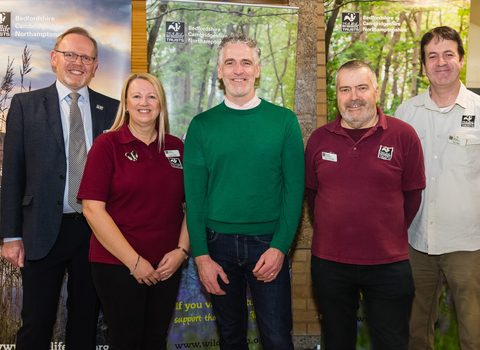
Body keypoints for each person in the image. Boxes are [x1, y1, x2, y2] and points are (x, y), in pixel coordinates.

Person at [183, 33, 304, 350]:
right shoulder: (201, 126)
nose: (239, 70)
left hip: (268, 245)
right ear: (220, 71)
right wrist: (202, 258)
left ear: (258, 69)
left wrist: (280, 247)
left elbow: (294, 193)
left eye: (246, 62)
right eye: (230, 63)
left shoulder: (284, 121)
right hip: (216, 246)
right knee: (230, 337)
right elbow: (194, 201)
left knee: (277, 337)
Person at [0, 27, 118, 350]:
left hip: (97, 234)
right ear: (55, 59)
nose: (78, 62)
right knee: (36, 323)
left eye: (86, 57)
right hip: (41, 231)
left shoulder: (114, 109)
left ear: (95, 66)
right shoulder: (24, 106)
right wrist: (10, 236)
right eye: (70, 54)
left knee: (85, 324)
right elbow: (12, 174)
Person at [305, 60, 426, 350]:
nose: (353, 96)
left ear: (376, 91)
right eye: (345, 89)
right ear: (336, 95)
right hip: (330, 264)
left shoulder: (403, 135)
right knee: (336, 341)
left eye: (361, 87)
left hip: (388, 264)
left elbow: (412, 196)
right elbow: (312, 195)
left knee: (392, 342)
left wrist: (385, 231)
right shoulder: (319, 139)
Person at [77, 72, 189, 350]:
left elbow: (194, 207)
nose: (144, 103)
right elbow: (92, 209)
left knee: (154, 340)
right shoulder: (107, 145)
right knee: (126, 341)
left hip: (166, 265)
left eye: (152, 97)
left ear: (161, 104)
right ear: (125, 104)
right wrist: (134, 262)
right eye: (136, 96)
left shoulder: (177, 147)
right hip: (117, 264)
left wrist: (181, 252)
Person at [394, 26, 480, 350]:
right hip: (416, 242)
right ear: (423, 64)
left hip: (468, 244)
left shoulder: (479, 110)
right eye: (432, 56)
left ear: (461, 59)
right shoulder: (406, 113)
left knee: (474, 332)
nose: (440, 62)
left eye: (448, 54)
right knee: (416, 330)